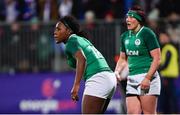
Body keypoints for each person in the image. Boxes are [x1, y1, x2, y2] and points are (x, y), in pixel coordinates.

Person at [53, 15, 117, 114]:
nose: (55, 32)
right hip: (109, 78)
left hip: (98, 78)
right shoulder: (81, 39)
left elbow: (82, 59)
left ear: (68, 31)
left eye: (58, 29)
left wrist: (76, 86)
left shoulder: (71, 41)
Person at [114, 6, 161, 114]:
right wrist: (116, 72)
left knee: (148, 112)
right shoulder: (124, 36)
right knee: (132, 113)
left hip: (147, 78)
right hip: (132, 79)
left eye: (131, 17)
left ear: (139, 20)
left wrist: (148, 78)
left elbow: (157, 58)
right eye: (127, 17)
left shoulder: (147, 33)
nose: (127, 19)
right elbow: (122, 59)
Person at [158, 32, 179, 113]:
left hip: (168, 76)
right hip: (168, 76)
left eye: (163, 37)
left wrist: (156, 69)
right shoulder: (168, 48)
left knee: (170, 96)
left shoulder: (168, 48)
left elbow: (166, 63)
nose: (161, 39)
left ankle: (173, 112)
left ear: (168, 37)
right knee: (168, 96)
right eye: (160, 38)